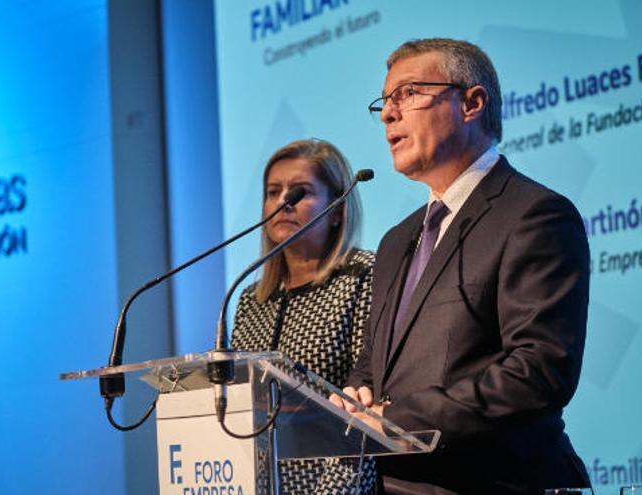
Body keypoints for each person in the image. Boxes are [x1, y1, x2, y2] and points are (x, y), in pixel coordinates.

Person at [329, 38, 591, 494]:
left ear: (472, 103)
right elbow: (374, 368)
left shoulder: (534, 215)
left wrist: (397, 420)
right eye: (385, 102)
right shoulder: (395, 242)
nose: (389, 113)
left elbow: (539, 371)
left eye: (407, 94)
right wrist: (354, 400)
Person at [231, 139, 376, 494]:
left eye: (300, 192)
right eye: (273, 191)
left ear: (338, 208)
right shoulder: (251, 299)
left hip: (338, 483)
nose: (283, 202)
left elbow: (364, 410)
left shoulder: (362, 276)